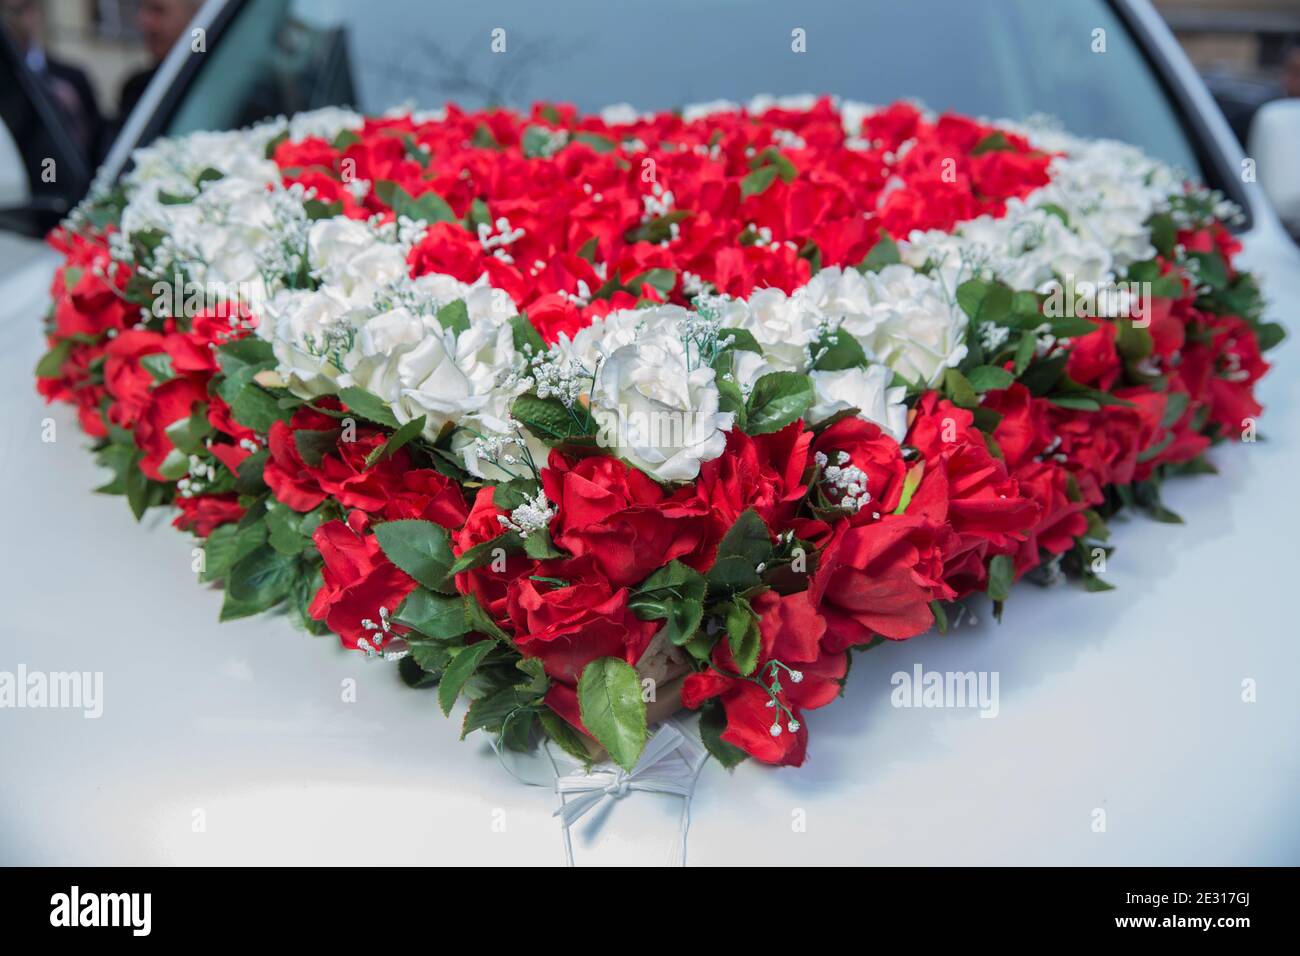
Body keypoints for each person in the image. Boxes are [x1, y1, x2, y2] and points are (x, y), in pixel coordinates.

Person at [1, 0, 103, 163]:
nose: (10, 21)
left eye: (19, 10)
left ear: (36, 12)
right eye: (4, 11)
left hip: (54, 174)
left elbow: (95, 146)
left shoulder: (72, 79)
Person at [117, 0, 200, 121]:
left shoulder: (213, 80)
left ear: (196, 17)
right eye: (143, 10)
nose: (144, 22)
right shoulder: (138, 89)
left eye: (158, 10)